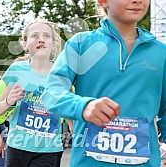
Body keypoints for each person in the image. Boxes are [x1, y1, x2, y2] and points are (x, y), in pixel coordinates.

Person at [42, 0, 166, 167]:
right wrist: (83, 106)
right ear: (103, 1)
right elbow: (51, 92)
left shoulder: (161, 52)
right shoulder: (80, 44)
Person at [0, 19, 63, 167]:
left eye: (46, 36)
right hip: (17, 146)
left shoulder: (62, 74)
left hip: (49, 149)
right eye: (34, 36)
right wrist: (9, 101)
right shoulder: (16, 69)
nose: (41, 39)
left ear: (53, 44)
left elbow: (70, 113)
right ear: (25, 45)